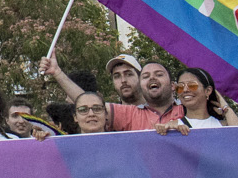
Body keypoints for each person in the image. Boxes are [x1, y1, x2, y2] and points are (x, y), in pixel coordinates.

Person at [46, 53, 183, 131]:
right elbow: (88, 103)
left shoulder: (189, 109)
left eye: (159, 74)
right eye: (116, 76)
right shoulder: (129, 114)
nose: (123, 80)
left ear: (173, 85)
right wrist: (57, 73)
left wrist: (182, 125)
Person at [162, 67, 238, 131]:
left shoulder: (223, 126)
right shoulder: (173, 127)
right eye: (180, 86)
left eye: (192, 85)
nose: (185, 90)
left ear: (208, 90)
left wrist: (226, 107)